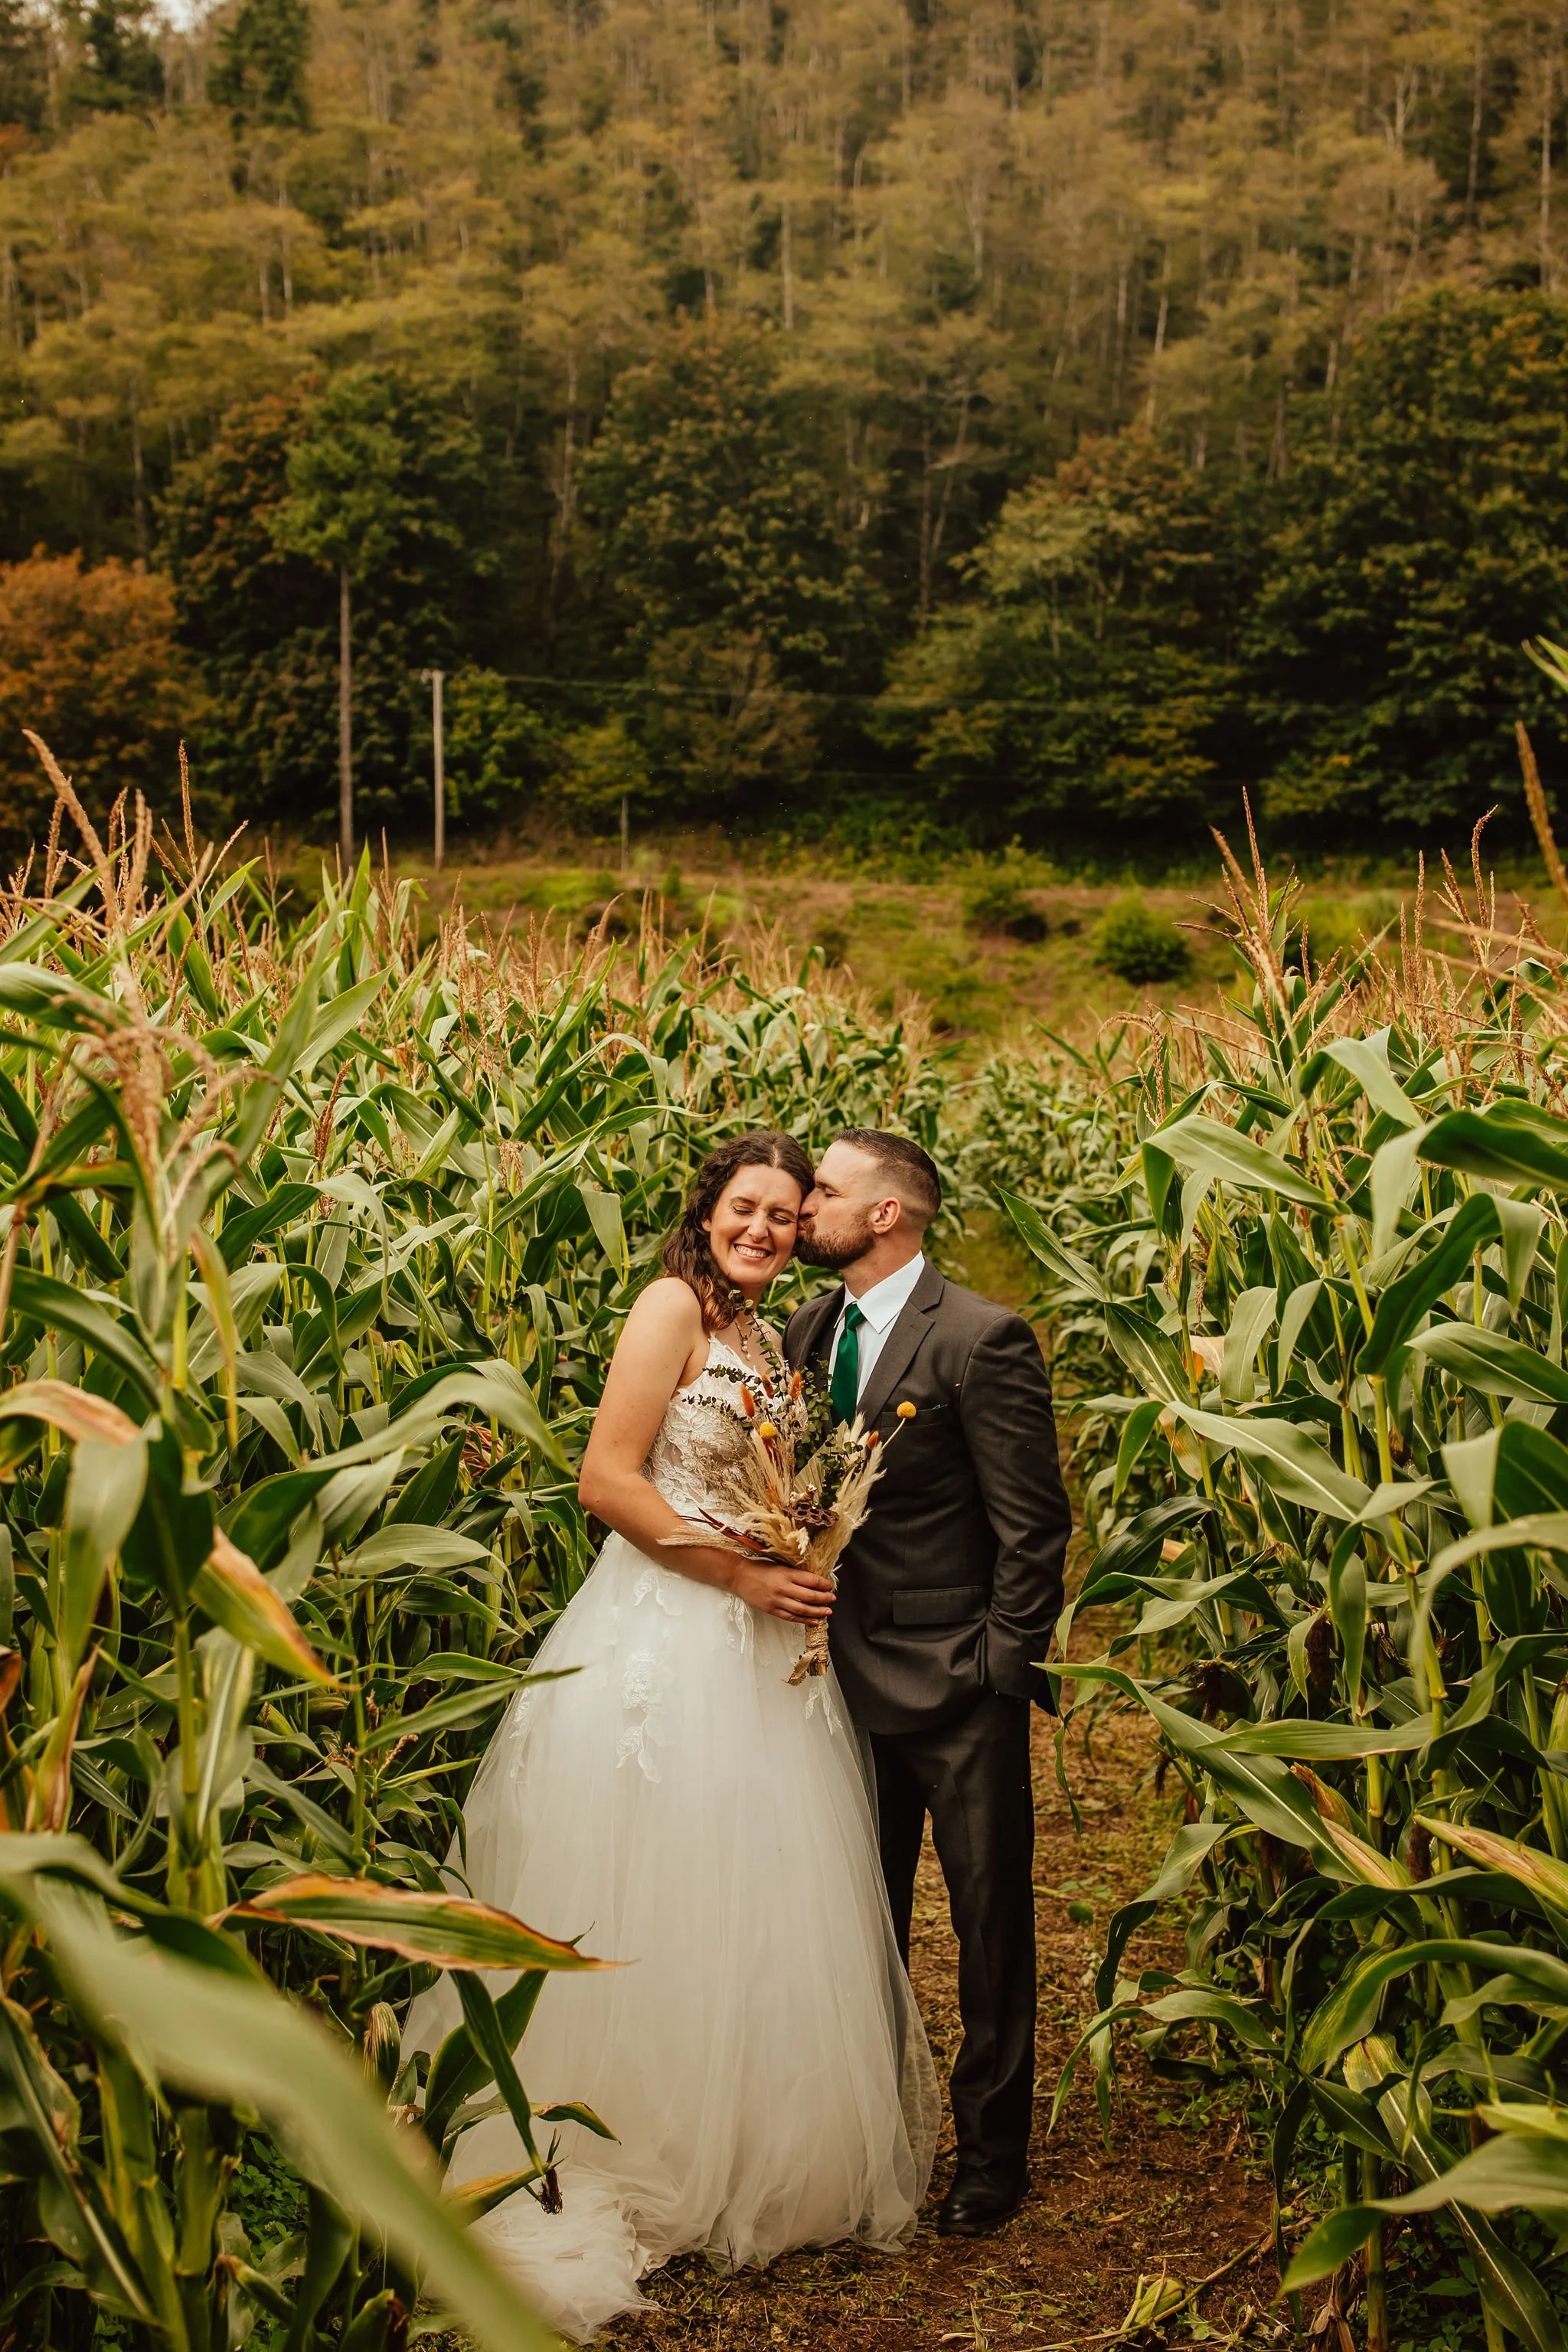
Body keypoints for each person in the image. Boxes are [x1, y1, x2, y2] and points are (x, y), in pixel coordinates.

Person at [402, 1131, 938, 2343]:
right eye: (746, 1208)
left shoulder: (765, 1334)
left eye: (787, 1215)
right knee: (647, 1874)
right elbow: (607, 1478)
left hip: (758, 1645)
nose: (765, 1228)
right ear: (707, 1212)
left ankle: (744, 2143)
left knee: (745, 1883)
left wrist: (798, 1551)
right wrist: (741, 1580)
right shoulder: (669, 1308)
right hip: (668, 1631)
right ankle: (617, 2138)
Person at [786, 1129, 1070, 2239]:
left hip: (957, 1682)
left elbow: (1032, 1522)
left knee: (990, 1926)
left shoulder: (983, 1339)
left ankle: (993, 2155)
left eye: (824, 1192)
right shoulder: (813, 1327)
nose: (807, 1207)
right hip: (838, 1679)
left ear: (887, 1214)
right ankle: (879, 2134)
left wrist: (1000, 1669)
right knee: (862, 1920)